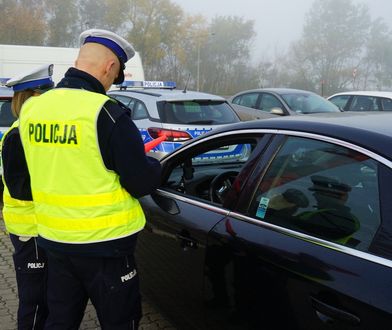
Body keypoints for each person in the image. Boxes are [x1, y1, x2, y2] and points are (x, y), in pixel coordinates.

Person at [18, 29, 162, 329]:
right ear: (110, 67)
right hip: (106, 248)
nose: (111, 84)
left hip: (54, 242)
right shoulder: (107, 113)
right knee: (120, 321)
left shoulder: (33, 109)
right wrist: (155, 165)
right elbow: (140, 182)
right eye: (115, 76)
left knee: (59, 320)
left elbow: (24, 175)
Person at [2, 64, 54, 329]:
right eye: (45, 95)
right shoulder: (18, 135)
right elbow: (20, 188)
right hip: (29, 229)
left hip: (42, 227)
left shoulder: (35, 131)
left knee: (47, 298)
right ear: (30, 97)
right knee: (34, 302)